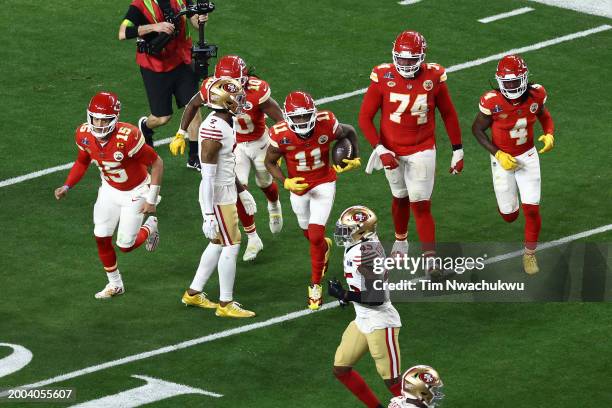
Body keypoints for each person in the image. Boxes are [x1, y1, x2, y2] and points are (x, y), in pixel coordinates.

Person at [358, 30, 463, 275]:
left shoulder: (434, 76)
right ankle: (401, 241)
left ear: (422, 56)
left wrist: (457, 149)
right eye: (401, 58)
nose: (405, 63)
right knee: (400, 197)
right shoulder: (382, 75)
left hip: (422, 147)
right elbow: (365, 117)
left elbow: (448, 113)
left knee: (420, 203)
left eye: (410, 58)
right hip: (391, 149)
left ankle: (430, 259)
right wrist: (380, 148)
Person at [171, 55, 285, 261]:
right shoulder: (212, 89)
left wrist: (281, 146)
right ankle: (252, 236)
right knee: (238, 189)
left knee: (265, 182)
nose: (228, 87)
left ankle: (274, 204)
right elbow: (193, 104)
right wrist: (181, 132)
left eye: (233, 83)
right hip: (235, 144)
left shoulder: (256, 90)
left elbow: (280, 118)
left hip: (260, 141)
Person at [54, 92, 163, 299]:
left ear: (115, 119)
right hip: (110, 189)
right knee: (101, 237)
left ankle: (150, 227)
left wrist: (151, 198)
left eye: (105, 119)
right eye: (96, 118)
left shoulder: (128, 137)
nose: (100, 123)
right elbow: (82, 161)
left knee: (125, 246)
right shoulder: (84, 134)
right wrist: (67, 185)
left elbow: (157, 162)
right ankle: (115, 284)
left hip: (136, 191)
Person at [265, 91, 361, 310]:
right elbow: (269, 162)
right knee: (309, 235)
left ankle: (315, 285)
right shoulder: (280, 133)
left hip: (323, 182)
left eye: (305, 115)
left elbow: (350, 131)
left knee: (316, 234)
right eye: (296, 117)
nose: (301, 121)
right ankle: (323, 249)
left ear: (314, 113)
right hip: (298, 187)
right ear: (287, 116)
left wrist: (355, 155)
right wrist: (285, 182)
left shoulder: (326, 123)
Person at [180, 77, 257, 318]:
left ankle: (193, 293)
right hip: (217, 196)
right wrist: (208, 214)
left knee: (218, 243)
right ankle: (226, 304)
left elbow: (227, 164)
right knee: (232, 244)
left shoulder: (225, 121)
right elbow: (208, 177)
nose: (241, 102)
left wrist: (242, 191)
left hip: (226, 190)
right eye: (237, 99)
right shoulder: (215, 129)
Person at [472, 54, 554, 275]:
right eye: (506, 82)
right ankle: (511, 204)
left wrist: (549, 134)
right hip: (502, 159)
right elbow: (477, 129)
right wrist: (497, 153)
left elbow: (544, 116)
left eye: (514, 81)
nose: (510, 86)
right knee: (509, 216)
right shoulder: (492, 102)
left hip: (528, 156)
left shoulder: (536, 95)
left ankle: (529, 254)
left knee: (532, 210)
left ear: (524, 79)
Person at [118, 0, 208, 169]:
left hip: (182, 60)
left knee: (194, 107)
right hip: (155, 67)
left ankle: (194, 157)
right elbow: (123, 33)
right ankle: (145, 126)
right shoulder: (139, 5)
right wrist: (155, 27)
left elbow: (194, 22)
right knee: (162, 117)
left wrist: (200, 19)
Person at [328, 206, 402, 408]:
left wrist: (344, 294)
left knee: (394, 384)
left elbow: (376, 297)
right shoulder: (360, 244)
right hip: (363, 318)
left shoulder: (365, 252)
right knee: (341, 369)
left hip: (380, 321)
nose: (341, 233)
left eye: (346, 229)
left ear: (362, 231)